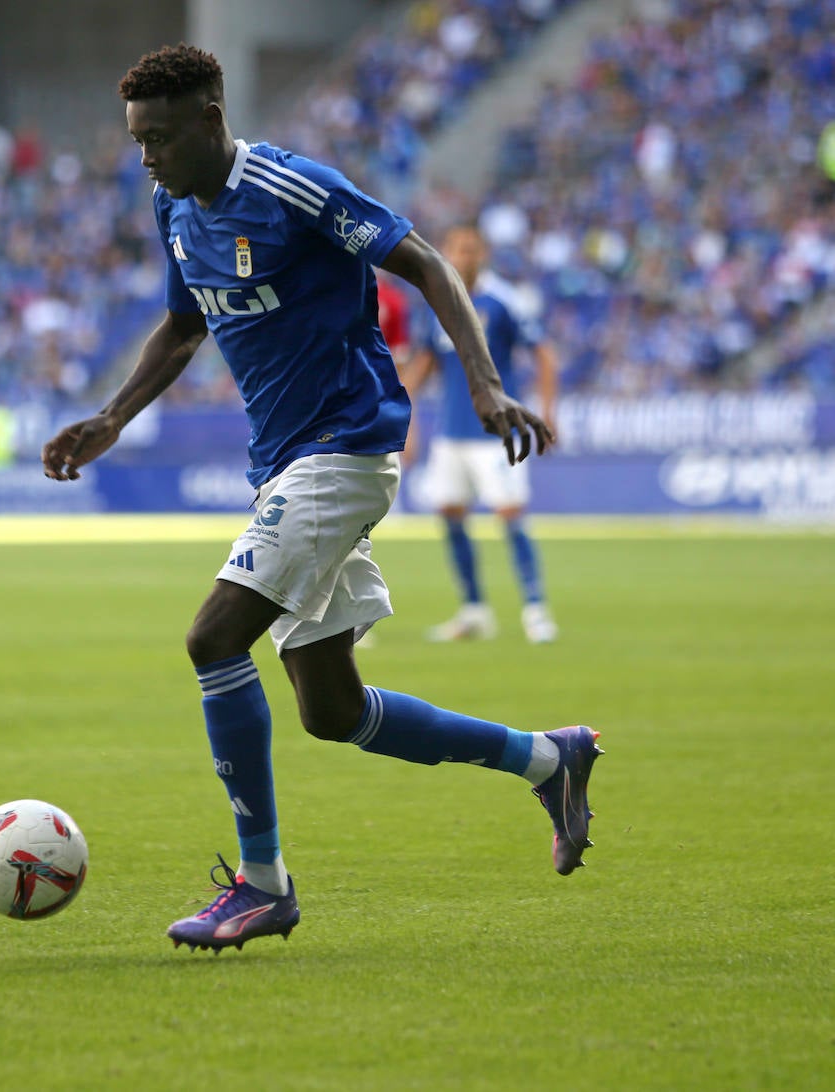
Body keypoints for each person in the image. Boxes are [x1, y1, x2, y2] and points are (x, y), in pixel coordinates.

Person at [41, 45, 601, 953]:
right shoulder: (173, 204)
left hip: (344, 449)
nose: (147, 157)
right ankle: (548, 757)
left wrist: (485, 383)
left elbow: (422, 261)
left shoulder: (295, 188)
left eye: (162, 137)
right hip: (287, 465)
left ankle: (262, 885)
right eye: (139, 141)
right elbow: (185, 324)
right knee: (331, 710)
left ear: (212, 117)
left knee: (213, 637)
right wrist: (111, 417)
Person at [402, 224, 559, 643]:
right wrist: (406, 418)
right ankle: (474, 610)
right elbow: (423, 366)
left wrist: (547, 413)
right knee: (450, 514)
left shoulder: (504, 301)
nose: (464, 256)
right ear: (447, 252)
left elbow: (544, 354)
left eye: (471, 249)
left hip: (495, 432)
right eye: (456, 249)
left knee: (510, 514)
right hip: (451, 432)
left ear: (483, 253)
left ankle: (536, 609)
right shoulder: (438, 299)